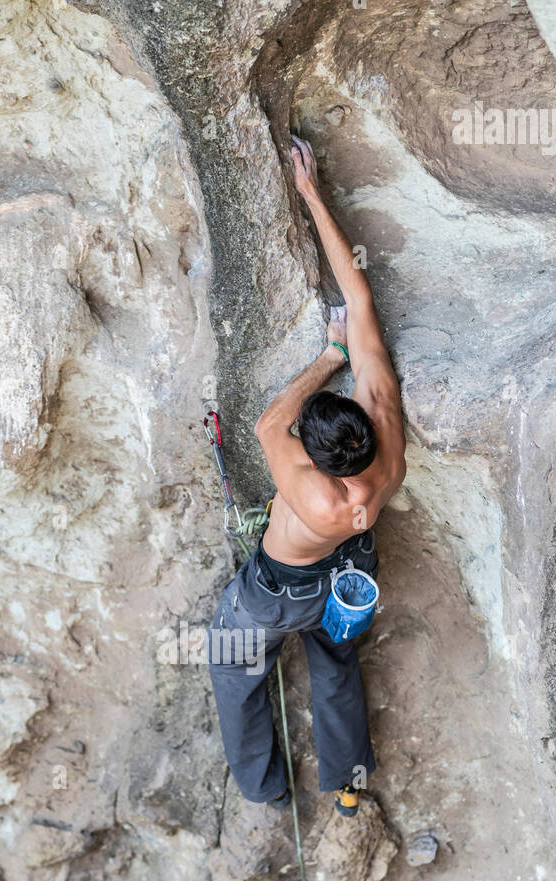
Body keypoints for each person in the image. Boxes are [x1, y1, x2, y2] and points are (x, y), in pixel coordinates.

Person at [208, 135, 406, 817]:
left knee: (233, 662)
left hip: (282, 591)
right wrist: (312, 194)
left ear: (318, 458)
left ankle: (265, 789)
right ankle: (348, 778)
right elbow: (359, 294)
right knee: (335, 662)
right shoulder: (385, 433)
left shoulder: (313, 493)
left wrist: (328, 356)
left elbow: (269, 425)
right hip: (351, 571)